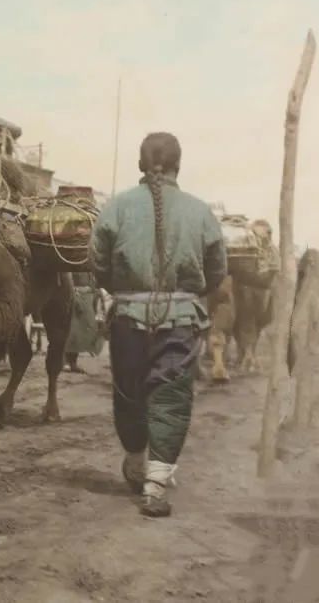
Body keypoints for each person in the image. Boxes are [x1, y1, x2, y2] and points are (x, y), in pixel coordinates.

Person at [90, 132, 226, 518]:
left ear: (140, 164)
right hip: (181, 321)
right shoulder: (200, 212)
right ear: (179, 165)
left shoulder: (115, 208)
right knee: (171, 399)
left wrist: (126, 291)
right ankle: (155, 487)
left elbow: (98, 264)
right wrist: (185, 295)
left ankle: (135, 463)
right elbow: (217, 271)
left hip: (128, 320)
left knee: (129, 393)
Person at [64, 271, 105, 373]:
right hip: (75, 295)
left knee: (81, 332)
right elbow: (68, 276)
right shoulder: (74, 258)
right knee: (71, 330)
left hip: (88, 297)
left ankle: (73, 363)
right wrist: (73, 294)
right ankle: (65, 362)